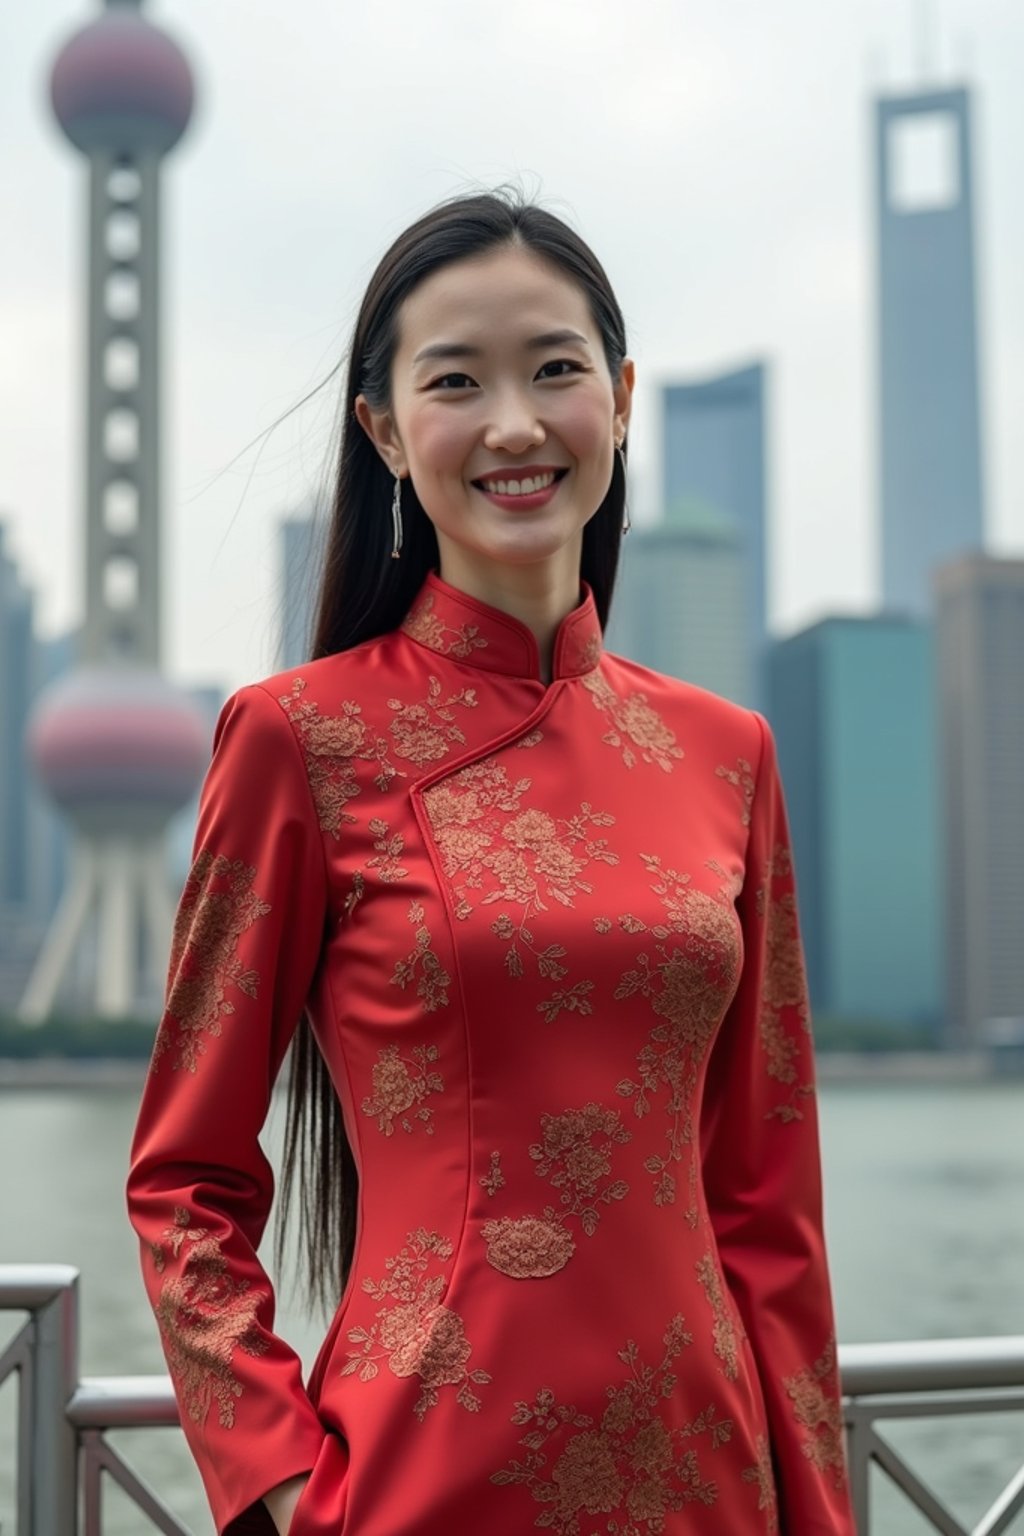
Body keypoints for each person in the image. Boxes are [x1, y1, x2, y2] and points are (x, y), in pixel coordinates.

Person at [127, 190, 856, 1536]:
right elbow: (184, 1182)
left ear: (623, 402)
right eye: (456, 381)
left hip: (712, 1489)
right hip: (414, 1491)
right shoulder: (299, 740)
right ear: (387, 431)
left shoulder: (726, 755)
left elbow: (769, 1208)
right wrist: (283, 1490)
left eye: (557, 370)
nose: (516, 425)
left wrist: (818, 1514)